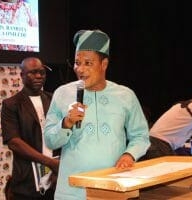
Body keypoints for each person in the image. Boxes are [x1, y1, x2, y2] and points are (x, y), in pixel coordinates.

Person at [44, 29, 150, 200]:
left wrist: (129, 155)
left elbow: (141, 136)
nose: (81, 69)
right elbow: (49, 139)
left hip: (114, 188)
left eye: (88, 63)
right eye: (77, 63)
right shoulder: (62, 94)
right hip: (72, 191)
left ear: (104, 64)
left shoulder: (125, 95)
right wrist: (67, 123)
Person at [1, 57, 59, 200]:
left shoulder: (54, 100)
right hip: (27, 181)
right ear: (22, 75)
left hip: (56, 179)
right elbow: (14, 142)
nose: (39, 76)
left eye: (42, 72)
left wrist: (58, 168)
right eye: (32, 73)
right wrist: (49, 162)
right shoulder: (11, 104)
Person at [140, 93, 192, 160]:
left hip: (151, 141)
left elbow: (191, 135)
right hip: (160, 145)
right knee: (172, 177)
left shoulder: (180, 106)